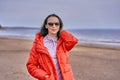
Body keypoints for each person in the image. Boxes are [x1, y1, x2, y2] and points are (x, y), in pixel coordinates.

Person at [26, 14, 78, 80]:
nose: (54, 26)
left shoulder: (63, 42)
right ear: (46, 26)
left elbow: (73, 41)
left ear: (60, 25)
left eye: (57, 24)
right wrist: (45, 76)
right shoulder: (39, 44)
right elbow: (31, 65)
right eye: (50, 24)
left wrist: (61, 32)